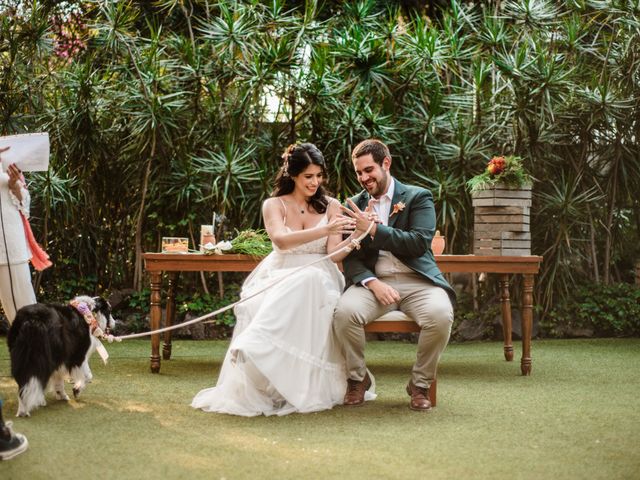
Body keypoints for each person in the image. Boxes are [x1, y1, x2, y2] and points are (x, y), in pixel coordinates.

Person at [191, 143, 371, 416]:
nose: (315, 182)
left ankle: (256, 342)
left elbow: (334, 255)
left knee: (310, 277)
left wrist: (359, 233)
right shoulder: (273, 205)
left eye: (319, 176)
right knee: (292, 285)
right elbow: (281, 241)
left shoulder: (331, 206)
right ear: (293, 175)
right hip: (280, 272)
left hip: (321, 277)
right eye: (308, 176)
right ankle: (260, 350)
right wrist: (325, 229)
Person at [333, 139, 456, 411]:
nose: (364, 178)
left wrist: (375, 230)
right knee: (343, 313)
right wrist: (372, 282)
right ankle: (358, 379)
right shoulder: (353, 204)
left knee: (441, 315)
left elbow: (418, 242)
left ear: (385, 163)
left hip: (418, 282)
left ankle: (420, 385)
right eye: (359, 173)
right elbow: (350, 257)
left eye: (369, 170)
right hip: (373, 284)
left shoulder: (417, 196)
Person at [0, 146, 37, 324]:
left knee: (24, 307)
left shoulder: (7, 158)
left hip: (10, 243)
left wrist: (14, 184)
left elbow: (25, 204)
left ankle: (36, 348)